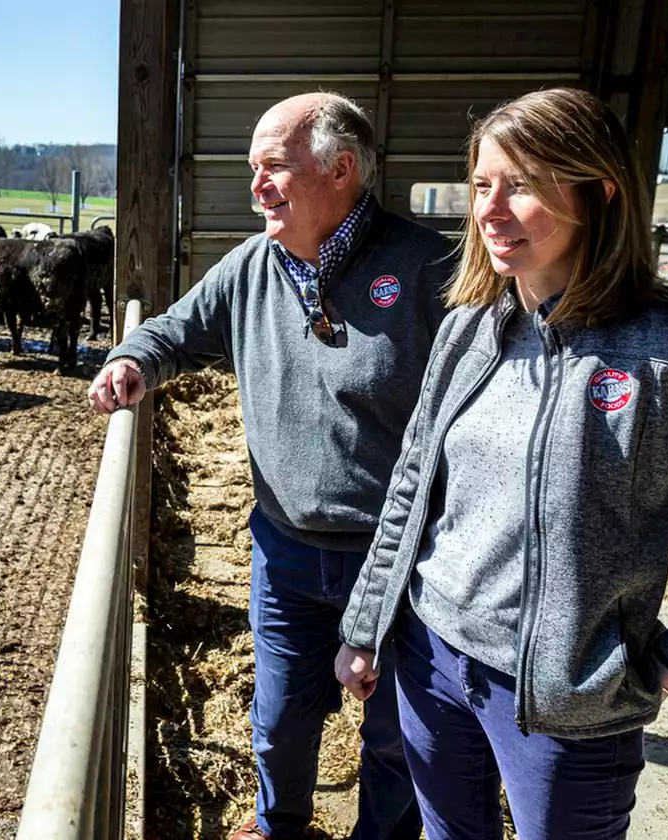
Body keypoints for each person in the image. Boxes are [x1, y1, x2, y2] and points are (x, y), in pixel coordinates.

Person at [335, 86, 668, 840]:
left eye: (523, 185)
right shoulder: (469, 329)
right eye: (481, 186)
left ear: (597, 193)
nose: (491, 210)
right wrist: (368, 623)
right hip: (432, 659)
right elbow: (412, 486)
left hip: (572, 704)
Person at [88, 91, 452, 839]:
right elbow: (173, 331)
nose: (255, 187)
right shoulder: (254, 267)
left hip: (403, 561)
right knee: (281, 717)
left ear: (341, 168)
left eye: (274, 168)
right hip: (284, 547)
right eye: (253, 169)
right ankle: (278, 825)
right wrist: (133, 360)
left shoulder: (429, 271)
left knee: (393, 731)